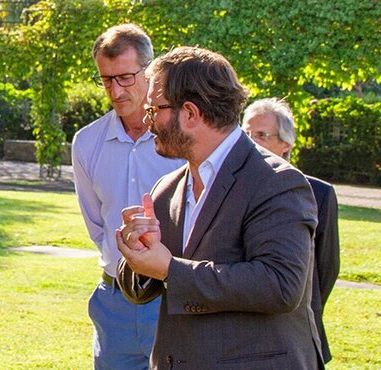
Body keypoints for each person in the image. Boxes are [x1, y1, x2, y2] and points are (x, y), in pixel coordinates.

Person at [116, 46, 323, 368]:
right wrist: (137, 253)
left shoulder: (276, 182)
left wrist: (170, 269)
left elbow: (281, 284)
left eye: (154, 109)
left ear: (190, 113)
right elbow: (141, 287)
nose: (147, 120)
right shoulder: (166, 188)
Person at [71, 24, 183, 369]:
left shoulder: (182, 137)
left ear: (150, 72)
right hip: (114, 302)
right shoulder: (86, 142)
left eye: (125, 78)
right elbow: (98, 225)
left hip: (174, 298)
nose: (115, 91)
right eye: (106, 80)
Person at [242, 97, 340, 363]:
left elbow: (326, 267)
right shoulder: (228, 190)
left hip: (297, 332)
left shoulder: (319, 193)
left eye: (261, 135)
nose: (251, 141)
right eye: (246, 133)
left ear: (286, 144)